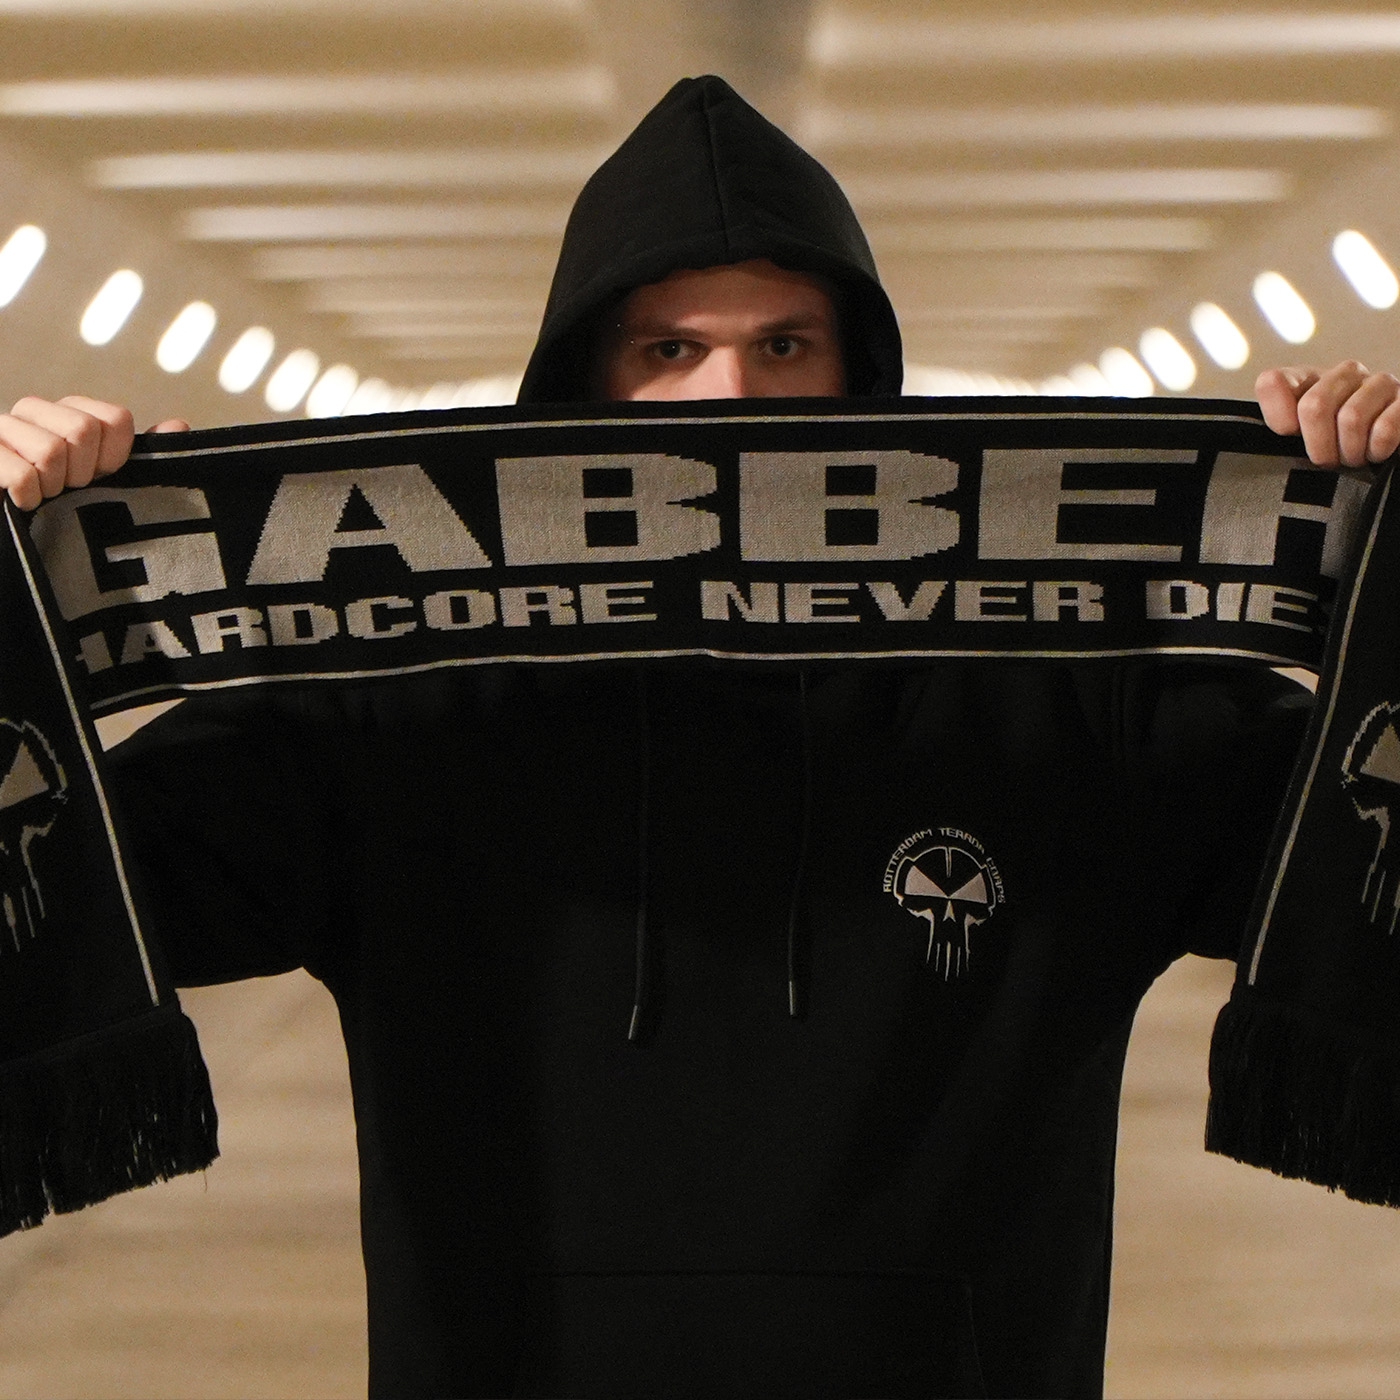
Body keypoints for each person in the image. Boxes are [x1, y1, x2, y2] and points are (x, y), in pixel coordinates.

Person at [2, 75, 1400, 1399]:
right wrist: (26, 574)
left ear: (863, 380)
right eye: (669, 350)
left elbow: (1360, 835)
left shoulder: (1074, 710)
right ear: (580, 388)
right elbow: (75, 869)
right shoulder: (408, 711)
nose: (730, 398)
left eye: (784, 345)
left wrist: (1383, 543)